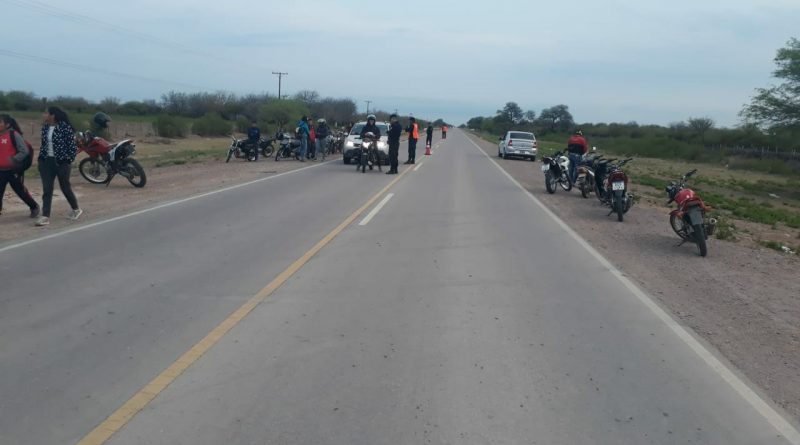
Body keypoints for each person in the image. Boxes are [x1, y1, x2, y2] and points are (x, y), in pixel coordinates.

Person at [36, 106, 82, 226]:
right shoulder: (45, 127)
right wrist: (40, 160)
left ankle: (76, 208)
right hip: (46, 162)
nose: (44, 115)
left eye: (46, 113)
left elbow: (72, 147)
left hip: (62, 162)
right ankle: (45, 216)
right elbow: (43, 144)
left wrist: (68, 160)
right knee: (47, 189)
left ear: (52, 115)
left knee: (65, 187)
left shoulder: (65, 127)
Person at [0, 114, 39, 218]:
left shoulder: (14, 135)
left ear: (7, 124)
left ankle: (34, 206)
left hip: (13, 170)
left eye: (0, 122)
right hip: (1, 170)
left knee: (20, 191)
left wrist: (14, 159)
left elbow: (24, 151)